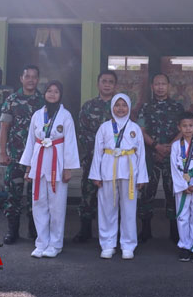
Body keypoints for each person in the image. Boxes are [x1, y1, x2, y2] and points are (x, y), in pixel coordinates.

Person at [21, 80, 79, 258]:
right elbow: (31, 141)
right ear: (44, 94)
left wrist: (68, 168)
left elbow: (69, 142)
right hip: (39, 163)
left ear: (61, 95)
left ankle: (55, 244)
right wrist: (28, 167)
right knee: (38, 203)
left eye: (56, 91)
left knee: (57, 206)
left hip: (57, 163)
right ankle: (41, 242)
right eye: (49, 91)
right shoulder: (37, 115)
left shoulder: (66, 116)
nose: (52, 94)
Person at [89, 93, 149, 260]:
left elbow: (141, 154)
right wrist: (96, 174)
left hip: (129, 171)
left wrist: (141, 177)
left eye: (124, 105)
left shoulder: (135, 128)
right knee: (107, 208)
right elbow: (98, 153)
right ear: (112, 107)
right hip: (108, 170)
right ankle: (108, 244)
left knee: (129, 210)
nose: (120, 108)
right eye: (117, 105)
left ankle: (128, 245)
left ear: (129, 107)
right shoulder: (104, 127)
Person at [0, 65, 45, 245]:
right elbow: (4, 128)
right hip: (15, 157)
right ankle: (12, 231)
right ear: (21, 78)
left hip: (37, 158)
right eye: (28, 76)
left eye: (34, 77)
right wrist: (2, 152)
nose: (31, 80)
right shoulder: (11, 100)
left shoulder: (42, 102)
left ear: (38, 80)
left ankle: (34, 232)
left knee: (36, 196)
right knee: (13, 195)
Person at [137, 73, 185, 243]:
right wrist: (156, 146)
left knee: (173, 192)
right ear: (152, 86)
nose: (160, 87)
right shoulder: (145, 107)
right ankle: (146, 229)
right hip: (151, 156)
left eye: (163, 84)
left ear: (168, 86)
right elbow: (141, 131)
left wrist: (171, 146)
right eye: (157, 84)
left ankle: (174, 230)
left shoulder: (178, 107)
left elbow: (184, 129)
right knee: (146, 192)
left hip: (173, 156)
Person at [73, 70, 118, 243]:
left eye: (111, 82)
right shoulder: (88, 106)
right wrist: (97, 152)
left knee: (113, 195)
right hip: (92, 158)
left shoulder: (120, 107)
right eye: (104, 81)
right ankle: (85, 230)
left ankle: (112, 232)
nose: (107, 84)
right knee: (88, 192)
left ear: (115, 85)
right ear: (98, 84)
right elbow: (82, 132)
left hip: (114, 159)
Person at [170, 111, 193, 264]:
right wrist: (183, 185)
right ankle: (185, 246)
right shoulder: (175, 146)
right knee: (182, 216)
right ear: (179, 127)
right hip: (182, 185)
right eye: (184, 126)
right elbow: (173, 166)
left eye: (191, 126)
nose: (188, 129)